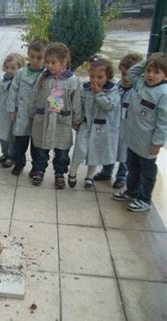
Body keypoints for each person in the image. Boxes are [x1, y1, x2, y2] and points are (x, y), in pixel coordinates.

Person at [112, 53, 167, 212]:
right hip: (133, 138)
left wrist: (157, 143)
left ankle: (144, 199)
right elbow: (132, 72)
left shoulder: (163, 93)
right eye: (148, 70)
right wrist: (148, 61)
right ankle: (132, 191)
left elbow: (163, 122)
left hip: (148, 143)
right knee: (132, 167)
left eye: (156, 72)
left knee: (147, 172)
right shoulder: (141, 83)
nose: (150, 75)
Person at [29, 42, 82, 189]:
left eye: (53, 63)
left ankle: (60, 173)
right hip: (44, 119)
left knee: (62, 150)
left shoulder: (72, 80)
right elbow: (34, 95)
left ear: (64, 62)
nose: (49, 66)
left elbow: (76, 102)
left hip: (61, 121)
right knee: (41, 148)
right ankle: (39, 170)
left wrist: (77, 119)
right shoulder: (43, 77)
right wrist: (32, 111)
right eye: (47, 62)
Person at [69, 57, 121, 189]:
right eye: (92, 76)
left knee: (95, 152)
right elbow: (78, 106)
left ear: (107, 77)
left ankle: (89, 177)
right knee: (80, 149)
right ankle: (72, 172)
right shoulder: (84, 88)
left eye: (100, 77)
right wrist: (76, 120)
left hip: (101, 127)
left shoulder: (113, 90)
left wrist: (99, 94)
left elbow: (109, 106)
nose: (95, 80)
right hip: (85, 125)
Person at [93, 53, 143, 188]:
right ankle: (106, 171)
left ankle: (121, 176)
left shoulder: (138, 92)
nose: (126, 78)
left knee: (124, 153)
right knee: (109, 148)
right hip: (112, 126)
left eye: (129, 75)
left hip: (128, 128)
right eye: (123, 74)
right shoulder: (115, 88)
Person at [7, 39, 47, 173]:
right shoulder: (20, 73)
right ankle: (19, 164)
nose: (35, 60)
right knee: (20, 143)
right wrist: (12, 109)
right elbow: (13, 91)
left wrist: (54, 111)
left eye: (39, 57)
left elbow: (53, 94)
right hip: (22, 113)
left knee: (37, 145)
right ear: (28, 55)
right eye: (32, 56)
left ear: (45, 58)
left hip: (39, 115)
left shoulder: (47, 75)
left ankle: (36, 169)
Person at [0, 53, 25, 168]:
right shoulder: (1, 81)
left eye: (13, 68)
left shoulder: (19, 84)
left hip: (12, 115)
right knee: (1, 136)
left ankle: (11, 156)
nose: (9, 71)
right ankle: (5, 153)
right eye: (7, 67)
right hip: (1, 114)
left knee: (10, 138)